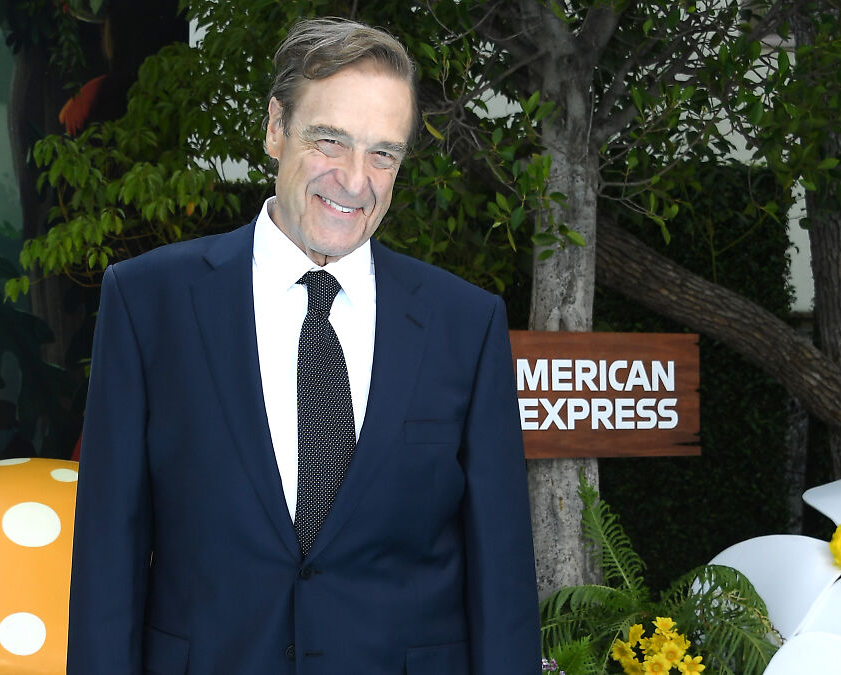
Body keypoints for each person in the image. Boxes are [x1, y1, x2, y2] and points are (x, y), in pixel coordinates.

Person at [68, 17, 539, 675]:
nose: (354, 180)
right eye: (329, 141)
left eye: (383, 153)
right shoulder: (149, 303)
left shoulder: (466, 324)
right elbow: (107, 557)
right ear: (275, 128)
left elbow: (503, 578)